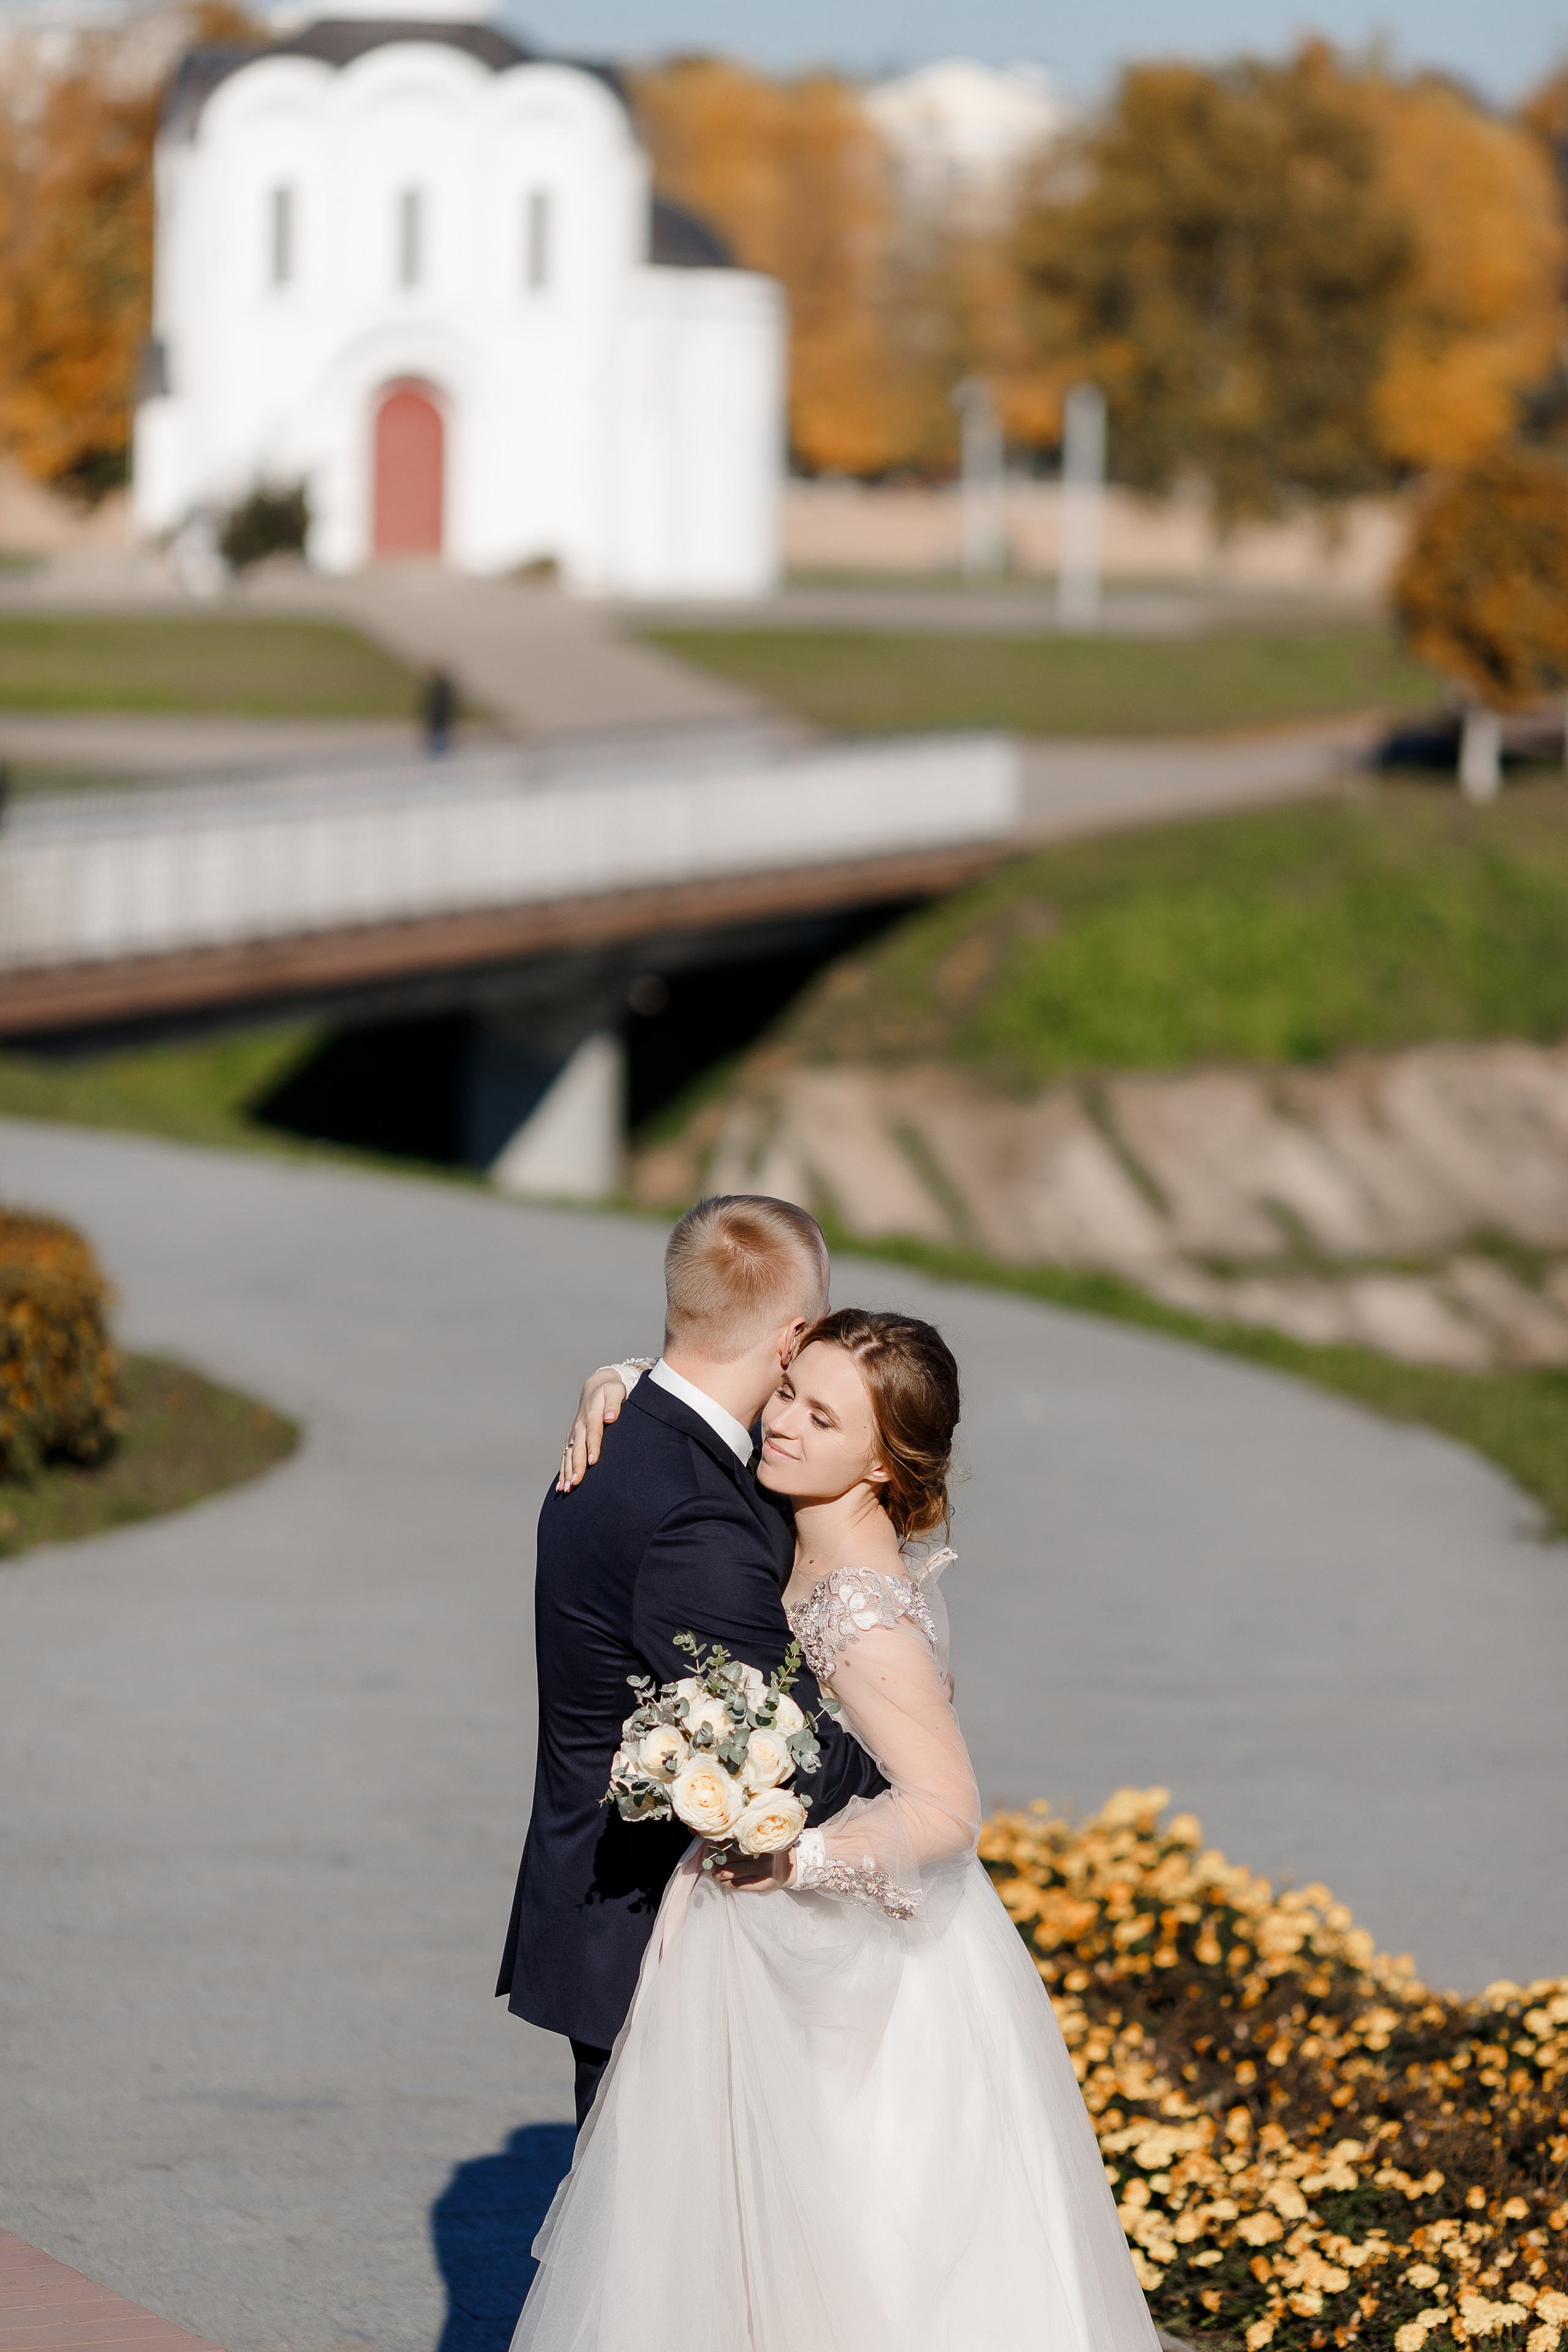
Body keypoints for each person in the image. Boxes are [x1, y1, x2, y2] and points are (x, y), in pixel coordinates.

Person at [512, 1305, 1161, 2350]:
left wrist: (794, 1857)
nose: (784, 1424)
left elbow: (947, 1807)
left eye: (823, 1419)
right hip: (756, 1939)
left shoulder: (863, 1609)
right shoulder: (789, 1509)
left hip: (853, 1963)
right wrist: (621, 1378)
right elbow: (721, 1361)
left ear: (882, 1463)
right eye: (787, 1393)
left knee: (853, 2238)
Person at [496, 1195, 889, 2130]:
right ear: (791, 1340)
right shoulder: (691, 1516)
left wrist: (617, 1371)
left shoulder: (631, 1432)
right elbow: (786, 1748)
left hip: (627, 1920)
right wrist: (913, 1794)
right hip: (655, 1946)